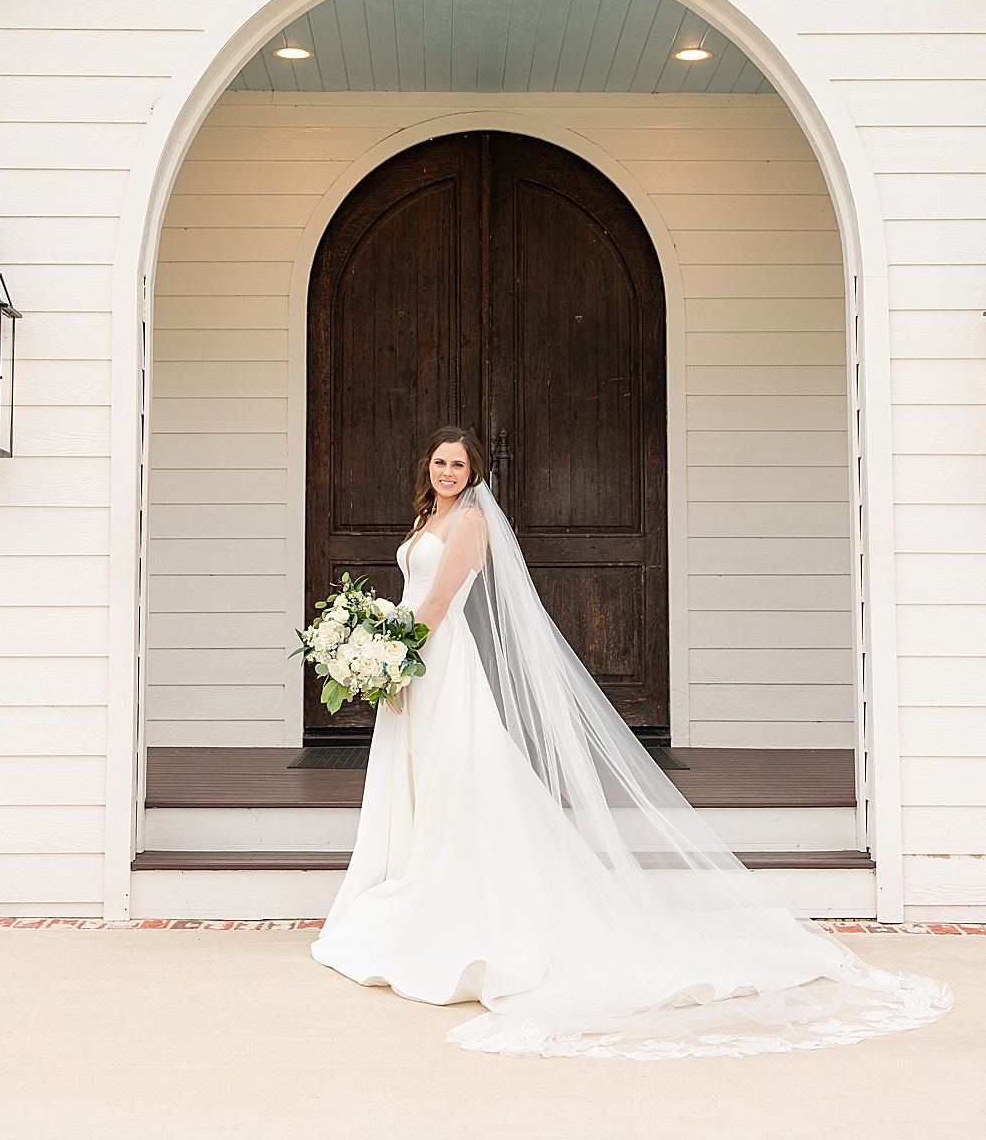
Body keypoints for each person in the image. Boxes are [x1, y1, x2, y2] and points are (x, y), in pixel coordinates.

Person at [312, 427, 952, 1060]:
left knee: (460, 774)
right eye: (438, 462)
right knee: (424, 775)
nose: (446, 472)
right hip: (411, 666)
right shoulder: (430, 514)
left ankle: (460, 898)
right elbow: (408, 594)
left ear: (474, 471)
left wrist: (396, 657)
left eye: (457, 464)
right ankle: (412, 876)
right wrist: (384, 661)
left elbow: (439, 602)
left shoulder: (471, 522)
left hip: (437, 659)